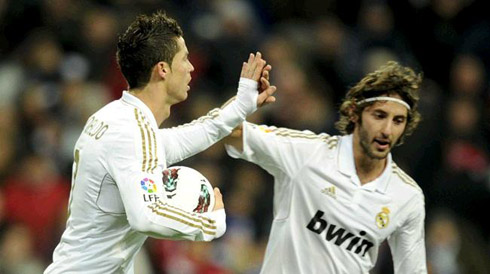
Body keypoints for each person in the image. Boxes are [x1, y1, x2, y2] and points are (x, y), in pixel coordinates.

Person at [45, 11, 276, 274]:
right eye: (185, 58)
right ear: (163, 69)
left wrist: (242, 103)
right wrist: (209, 223)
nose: (190, 67)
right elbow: (147, 215)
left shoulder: (115, 117)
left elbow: (189, 136)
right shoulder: (131, 130)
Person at [225, 61, 427, 273]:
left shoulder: (407, 196)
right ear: (353, 113)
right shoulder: (307, 153)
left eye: (398, 120)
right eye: (379, 116)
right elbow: (231, 132)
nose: (387, 130)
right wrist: (243, 102)